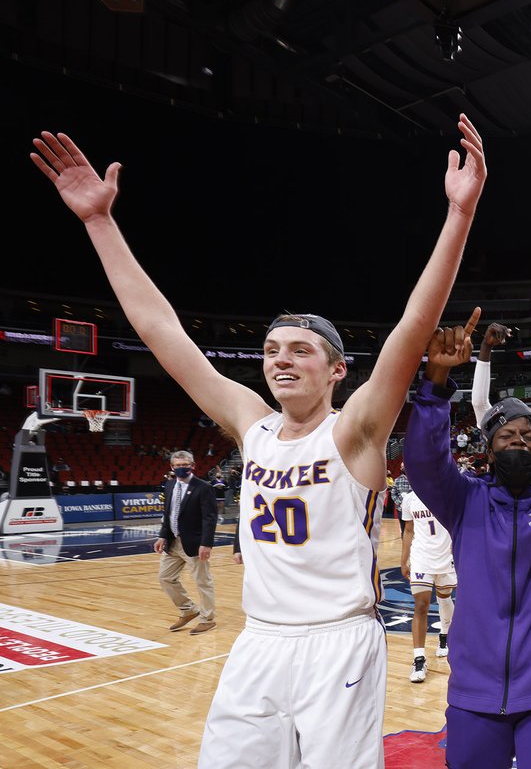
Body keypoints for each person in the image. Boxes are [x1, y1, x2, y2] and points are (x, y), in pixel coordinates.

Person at [30, 116, 487, 768]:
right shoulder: (253, 421)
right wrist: (100, 223)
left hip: (337, 643)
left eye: (301, 350)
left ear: (337, 370)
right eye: (272, 350)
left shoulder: (355, 430)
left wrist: (459, 214)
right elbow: (164, 331)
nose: (281, 359)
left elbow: (414, 325)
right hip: (260, 642)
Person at [405, 312, 531, 768]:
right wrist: (437, 379)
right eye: (507, 436)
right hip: (475, 691)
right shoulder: (464, 500)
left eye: (530, 437)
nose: (519, 443)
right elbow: (425, 461)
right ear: (488, 449)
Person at [154, 449, 219, 635]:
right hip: (173, 541)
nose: (181, 468)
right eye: (178, 466)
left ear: (192, 466)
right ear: (172, 467)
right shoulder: (169, 485)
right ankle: (188, 610)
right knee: (165, 578)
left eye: (185, 465)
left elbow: (210, 518)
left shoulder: (203, 487)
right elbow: (168, 515)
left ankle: (207, 619)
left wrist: (206, 543)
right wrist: (162, 535)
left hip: (195, 543)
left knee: (202, 581)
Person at [399, 488, 456, 682]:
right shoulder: (409, 498)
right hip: (421, 557)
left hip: (446, 556)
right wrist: (403, 559)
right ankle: (419, 659)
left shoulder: (449, 492)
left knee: (444, 597)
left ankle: (444, 636)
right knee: (421, 606)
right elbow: (408, 530)